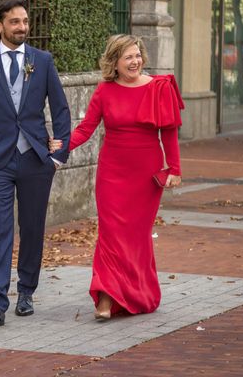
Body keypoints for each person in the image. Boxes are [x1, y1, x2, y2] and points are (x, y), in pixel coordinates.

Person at [50, 34, 183, 319]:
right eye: (128, 58)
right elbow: (86, 129)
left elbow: (169, 132)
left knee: (135, 237)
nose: (135, 62)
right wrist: (62, 144)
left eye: (137, 55)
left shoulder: (159, 87)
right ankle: (106, 299)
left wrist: (175, 169)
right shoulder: (105, 91)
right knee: (111, 235)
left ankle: (138, 294)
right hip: (112, 173)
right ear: (115, 62)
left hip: (146, 175)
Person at [0, 0, 71, 330]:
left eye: (25, 21)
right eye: (15, 22)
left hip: (36, 160)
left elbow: (61, 109)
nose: (22, 27)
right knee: (0, 231)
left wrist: (57, 156)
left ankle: (26, 291)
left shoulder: (42, 60)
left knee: (32, 228)